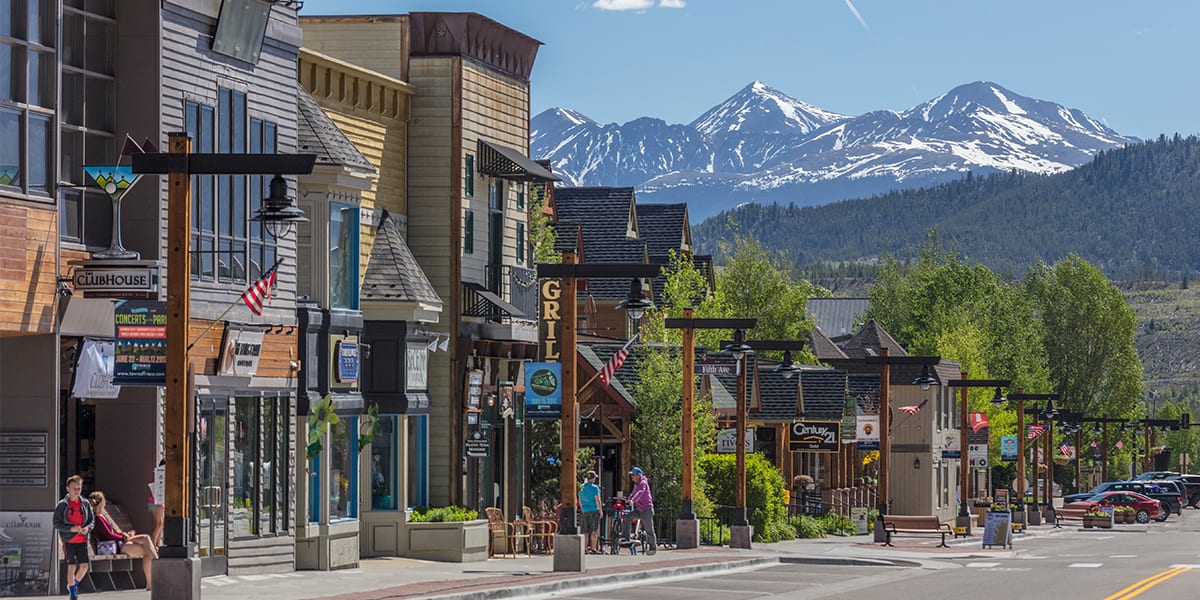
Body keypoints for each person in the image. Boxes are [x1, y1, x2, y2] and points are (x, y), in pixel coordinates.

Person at [90, 491, 158, 590]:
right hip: (113, 546)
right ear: (101, 502)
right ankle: (159, 566)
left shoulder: (101, 517)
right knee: (146, 539)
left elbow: (111, 533)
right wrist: (124, 536)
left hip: (117, 543)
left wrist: (124, 535)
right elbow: (109, 535)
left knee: (147, 551)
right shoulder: (98, 518)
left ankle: (150, 584)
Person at [52, 475, 93, 599]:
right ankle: (73, 593)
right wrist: (71, 528)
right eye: (74, 488)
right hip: (69, 540)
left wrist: (88, 528)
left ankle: (74, 584)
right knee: (71, 566)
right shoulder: (62, 505)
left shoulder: (85, 503)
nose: (77, 491)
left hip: (82, 539)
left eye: (79, 488)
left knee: (84, 565)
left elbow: (91, 520)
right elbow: (56, 523)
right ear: (67, 489)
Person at [626, 467, 656, 555]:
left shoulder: (643, 483)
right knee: (628, 517)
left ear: (638, 475)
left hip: (646, 510)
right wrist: (628, 500)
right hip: (639, 510)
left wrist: (633, 501)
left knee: (649, 530)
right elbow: (633, 493)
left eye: (633, 475)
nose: (632, 477)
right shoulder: (636, 484)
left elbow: (640, 493)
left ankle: (652, 548)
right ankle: (625, 537)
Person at [578, 471, 602, 554]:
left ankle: (584, 549)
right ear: (593, 478)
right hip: (593, 510)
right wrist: (600, 511)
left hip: (584, 510)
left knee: (585, 531)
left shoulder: (581, 487)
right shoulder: (595, 488)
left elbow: (579, 500)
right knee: (594, 530)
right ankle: (593, 548)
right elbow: (597, 500)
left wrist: (582, 509)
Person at [148, 459, 165, 547]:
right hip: (154, 501)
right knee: (159, 524)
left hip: (160, 501)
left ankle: (157, 546)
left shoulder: (161, 474)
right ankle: (153, 546)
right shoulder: (158, 473)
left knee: (161, 525)